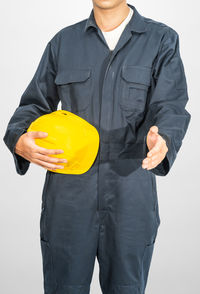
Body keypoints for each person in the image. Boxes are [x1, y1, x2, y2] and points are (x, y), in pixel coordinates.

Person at [3, 1, 191, 293]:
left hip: (130, 192)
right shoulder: (63, 42)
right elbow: (33, 106)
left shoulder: (161, 39)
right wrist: (18, 139)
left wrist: (163, 136)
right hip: (68, 197)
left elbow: (171, 104)